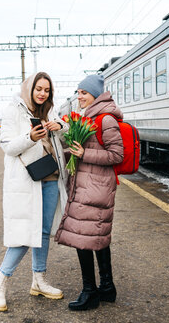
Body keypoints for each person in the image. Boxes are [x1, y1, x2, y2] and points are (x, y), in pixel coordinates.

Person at [0, 72, 69, 312]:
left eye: (47, 90)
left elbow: (62, 135)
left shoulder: (49, 110)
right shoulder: (14, 109)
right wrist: (30, 137)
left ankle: (39, 280)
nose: (42, 93)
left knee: (44, 232)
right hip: (27, 180)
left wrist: (60, 126)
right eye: (39, 89)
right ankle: (0, 282)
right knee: (25, 233)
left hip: (51, 177)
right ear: (30, 88)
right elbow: (6, 146)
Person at [55, 74, 124, 311]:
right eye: (78, 92)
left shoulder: (105, 119)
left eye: (83, 92)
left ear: (94, 94)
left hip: (95, 188)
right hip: (88, 185)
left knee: (83, 238)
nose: (79, 96)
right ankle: (107, 287)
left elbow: (117, 155)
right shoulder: (89, 117)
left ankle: (90, 292)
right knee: (96, 235)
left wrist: (84, 154)